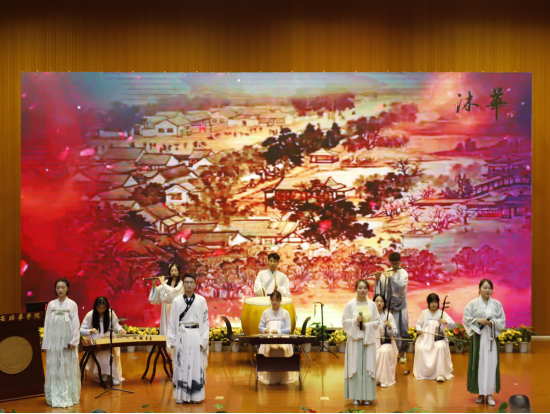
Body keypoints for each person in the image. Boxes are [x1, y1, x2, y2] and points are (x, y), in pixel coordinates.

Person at [167, 273, 210, 404]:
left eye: (191, 282)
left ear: (195, 284)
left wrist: (204, 341)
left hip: (196, 335)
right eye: (186, 282)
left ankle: (196, 396)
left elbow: (206, 322)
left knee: (196, 365)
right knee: (181, 365)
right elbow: (172, 322)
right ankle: (181, 396)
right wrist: (172, 340)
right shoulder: (177, 301)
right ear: (183, 284)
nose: (189, 285)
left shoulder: (201, 300)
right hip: (182, 336)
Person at [463, 279, 506, 407]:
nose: (488, 290)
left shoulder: (497, 304)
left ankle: (490, 393)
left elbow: (502, 320)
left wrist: (492, 323)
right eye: (485, 287)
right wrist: (477, 320)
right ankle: (481, 393)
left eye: (490, 288)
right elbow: (466, 319)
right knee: (479, 364)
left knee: (491, 365)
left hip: (491, 339)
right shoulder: (472, 304)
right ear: (479, 289)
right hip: (479, 339)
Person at [42, 279, 81, 408]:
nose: (60, 290)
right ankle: (54, 394)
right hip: (54, 340)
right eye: (58, 287)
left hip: (66, 338)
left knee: (67, 364)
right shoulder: (51, 304)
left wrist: (74, 340)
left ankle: (69, 394)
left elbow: (75, 323)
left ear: (67, 288)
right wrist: (46, 343)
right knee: (55, 365)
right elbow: (47, 323)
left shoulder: (72, 304)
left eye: (63, 287)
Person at [343, 280, 380, 406]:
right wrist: (355, 321)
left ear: (368, 290)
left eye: (365, 288)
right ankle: (355, 396)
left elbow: (377, 321)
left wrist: (367, 326)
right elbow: (344, 321)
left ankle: (366, 397)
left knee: (368, 368)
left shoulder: (372, 305)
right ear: (356, 289)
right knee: (356, 368)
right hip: (355, 341)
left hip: (368, 341)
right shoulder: (350, 305)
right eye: (360, 288)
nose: (362, 290)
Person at [80, 297, 126, 385]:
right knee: (100, 356)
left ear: (107, 307)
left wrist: (120, 329)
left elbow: (116, 325)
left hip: (108, 339)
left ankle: (113, 375)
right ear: (95, 306)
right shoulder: (90, 314)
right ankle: (105, 373)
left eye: (103, 308)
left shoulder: (110, 313)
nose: (101, 310)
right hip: (96, 340)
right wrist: (90, 331)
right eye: (99, 308)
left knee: (109, 356)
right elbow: (82, 330)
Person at [375, 252, 409, 364]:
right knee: (388, 328)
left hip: (400, 307)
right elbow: (382, 289)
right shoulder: (387, 272)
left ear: (400, 261)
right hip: (388, 307)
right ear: (389, 262)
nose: (395, 265)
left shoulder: (403, 273)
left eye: (397, 263)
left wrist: (390, 278)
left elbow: (401, 287)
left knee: (401, 329)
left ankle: (403, 352)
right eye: (393, 263)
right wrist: (378, 279)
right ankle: (390, 353)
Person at [413, 293, 455, 383]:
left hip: (438, 338)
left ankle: (440, 374)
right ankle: (424, 373)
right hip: (425, 339)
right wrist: (419, 330)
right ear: (428, 303)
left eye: (435, 302)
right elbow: (419, 324)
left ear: (438, 303)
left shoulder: (441, 313)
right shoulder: (424, 313)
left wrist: (445, 321)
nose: (434, 304)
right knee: (421, 348)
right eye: (431, 302)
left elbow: (453, 325)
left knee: (439, 347)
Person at [257, 290, 297, 385]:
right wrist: (265, 330)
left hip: (282, 339)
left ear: (280, 301)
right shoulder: (266, 312)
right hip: (268, 339)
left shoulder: (285, 313)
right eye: (272, 300)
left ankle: (283, 376)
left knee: (282, 350)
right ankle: (268, 375)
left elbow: (288, 329)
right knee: (267, 350)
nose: (274, 302)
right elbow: (260, 326)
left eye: (276, 300)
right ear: (270, 300)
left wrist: (278, 331)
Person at [148, 263, 183, 336]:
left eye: (175, 270)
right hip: (166, 309)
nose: (174, 272)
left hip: (176, 309)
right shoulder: (167, 282)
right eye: (172, 271)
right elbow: (158, 290)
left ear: (179, 272)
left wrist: (164, 284)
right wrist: (154, 284)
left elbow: (174, 292)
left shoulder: (181, 284)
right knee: (166, 327)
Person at [374, 294, 398, 388]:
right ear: (373, 303)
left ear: (384, 303)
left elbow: (394, 333)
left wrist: (389, 326)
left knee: (383, 351)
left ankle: (384, 378)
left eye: (381, 301)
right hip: (373, 343)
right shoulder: (370, 315)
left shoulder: (389, 315)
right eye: (377, 301)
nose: (379, 303)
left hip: (386, 343)